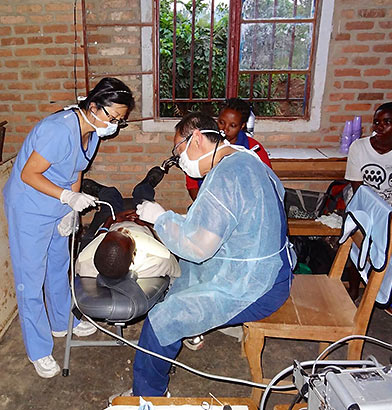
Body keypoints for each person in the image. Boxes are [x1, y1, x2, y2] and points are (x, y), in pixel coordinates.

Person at [126, 112, 294, 397]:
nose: (179, 163)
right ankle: (187, 332)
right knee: (181, 277)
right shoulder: (244, 158)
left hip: (256, 285)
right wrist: (175, 221)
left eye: (179, 152)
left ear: (198, 138)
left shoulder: (227, 175)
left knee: (162, 318)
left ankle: (147, 396)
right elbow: (217, 223)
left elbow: (199, 246)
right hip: (268, 266)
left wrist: (161, 218)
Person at [3, 77, 134, 378]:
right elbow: (29, 174)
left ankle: (62, 321)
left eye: (120, 121)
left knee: (59, 266)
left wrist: (69, 209)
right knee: (31, 278)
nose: (113, 125)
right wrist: (66, 196)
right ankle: (38, 349)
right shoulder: (58, 130)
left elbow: (77, 168)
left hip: (55, 207)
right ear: (92, 106)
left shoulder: (94, 132)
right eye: (111, 117)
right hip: (29, 208)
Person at [345, 102, 392, 318]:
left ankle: (382, 295)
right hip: (361, 205)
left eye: (387, 122)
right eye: (377, 122)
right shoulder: (359, 147)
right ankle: (353, 289)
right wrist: (374, 216)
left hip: (391, 207)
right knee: (357, 240)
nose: (379, 127)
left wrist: (389, 218)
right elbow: (357, 188)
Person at [73, 170, 180, 281]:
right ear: (133, 256)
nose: (123, 229)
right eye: (127, 235)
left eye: (117, 231)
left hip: (112, 222)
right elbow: (169, 249)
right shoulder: (159, 259)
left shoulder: (83, 261)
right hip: (141, 224)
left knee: (109, 201)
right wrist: (148, 223)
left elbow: (97, 238)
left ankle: (104, 192)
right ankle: (145, 186)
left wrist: (110, 221)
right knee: (144, 201)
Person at [185, 99, 271, 200]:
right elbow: (192, 184)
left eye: (233, 126)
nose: (225, 129)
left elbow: (266, 184)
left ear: (242, 126)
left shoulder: (253, 148)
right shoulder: (204, 144)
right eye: (221, 122)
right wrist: (203, 205)